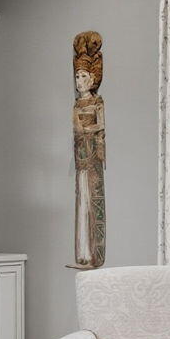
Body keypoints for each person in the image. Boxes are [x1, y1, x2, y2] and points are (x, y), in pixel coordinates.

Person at [70, 31, 106, 268]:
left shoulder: (97, 102)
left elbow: (100, 124)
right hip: (81, 157)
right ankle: (82, 252)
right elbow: (76, 127)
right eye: (76, 76)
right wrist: (83, 129)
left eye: (83, 76)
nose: (78, 80)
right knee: (81, 201)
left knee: (92, 202)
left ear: (92, 79)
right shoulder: (76, 104)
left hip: (93, 156)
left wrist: (87, 129)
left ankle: (94, 254)